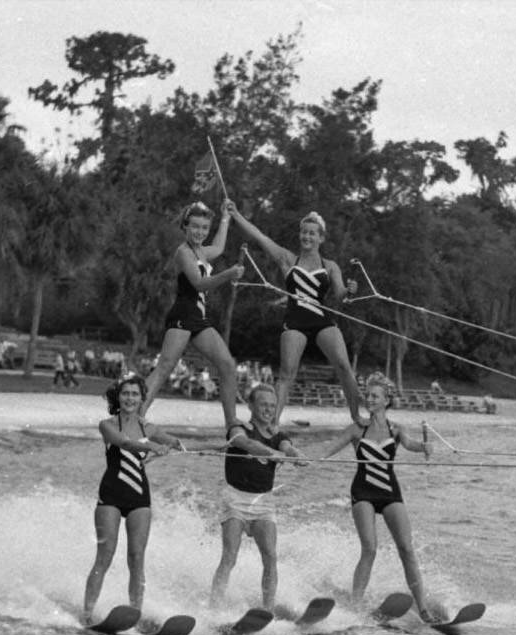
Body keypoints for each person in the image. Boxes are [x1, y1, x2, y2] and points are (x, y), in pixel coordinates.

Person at [226, 201, 362, 425]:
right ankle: (273, 423)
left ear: (321, 238)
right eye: (304, 232)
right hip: (295, 320)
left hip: (321, 320)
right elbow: (260, 237)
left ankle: (357, 416)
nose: (307, 237)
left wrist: (350, 290)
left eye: (312, 233)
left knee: (344, 365)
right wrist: (236, 215)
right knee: (287, 373)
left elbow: (340, 295)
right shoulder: (288, 259)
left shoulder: (330, 266)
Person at [322, 372, 437, 622]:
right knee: (370, 548)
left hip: (389, 491)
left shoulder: (396, 430)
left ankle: (423, 608)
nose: (369, 399)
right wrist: (305, 458)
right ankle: (356, 606)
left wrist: (424, 448)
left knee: (406, 549)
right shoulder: (357, 429)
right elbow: (330, 448)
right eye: (368, 395)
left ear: (386, 401)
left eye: (375, 396)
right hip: (362, 492)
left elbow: (411, 444)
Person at [82, 373, 184, 625]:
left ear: (141, 399)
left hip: (139, 496)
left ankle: (134, 613)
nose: (129, 398)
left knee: (137, 558)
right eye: (125, 393)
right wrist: (150, 448)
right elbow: (123, 443)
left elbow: (172, 441)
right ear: (119, 397)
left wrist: (172, 445)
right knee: (105, 555)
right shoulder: (107, 424)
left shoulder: (148, 428)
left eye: (134, 394)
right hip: (111, 495)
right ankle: (87, 613)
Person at [142, 200, 244, 427]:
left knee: (227, 364)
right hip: (183, 314)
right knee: (165, 367)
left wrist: (225, 218)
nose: (200, 232)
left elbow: (218, 247)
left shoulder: (202, 252)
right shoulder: (183, 252)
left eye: (204, 228)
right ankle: (135, 416)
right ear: (185, 227)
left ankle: (232, 424)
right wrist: (228, 274)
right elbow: (199, 284)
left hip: (199, 319)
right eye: (195, 226)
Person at [211, 383, 305, 610]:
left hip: (263, 502)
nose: (268, 409)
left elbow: (287, 446)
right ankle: (214, 608)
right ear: (251, 406)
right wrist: (271, 453)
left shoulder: (278, 436)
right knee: (230, 556)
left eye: (272, 406)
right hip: (235, 499)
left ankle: (267, 610)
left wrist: (295, 454)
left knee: (270, 557)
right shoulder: (238, 428)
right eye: (263, 404)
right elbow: (245, 443)